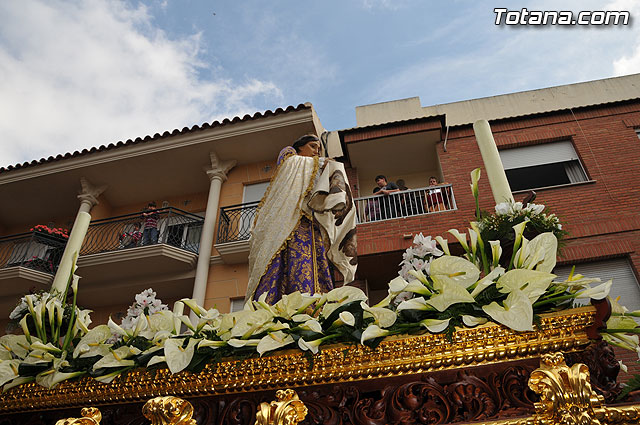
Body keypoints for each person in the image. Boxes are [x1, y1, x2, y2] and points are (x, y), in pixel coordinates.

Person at [246, 134, 357, 304]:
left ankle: (315, 306)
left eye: (318, 149)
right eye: (313, 146)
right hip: (291, 225)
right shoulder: (291, 160)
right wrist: (325, 163)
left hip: (313, 226)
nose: (316, 152)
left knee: (316, 266)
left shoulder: (316, 168)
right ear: (299, 148)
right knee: (293, 263)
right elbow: (290, 164)